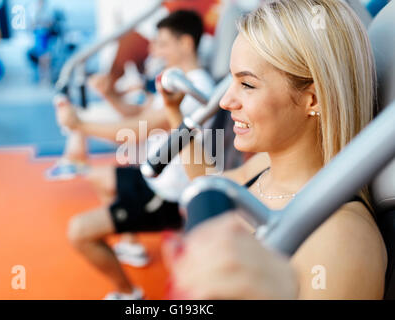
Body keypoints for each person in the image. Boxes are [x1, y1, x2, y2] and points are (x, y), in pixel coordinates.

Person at [162, 0, 387, 299]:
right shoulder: (266, 169)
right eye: (232, 80)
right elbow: (210, 183)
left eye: (247, 85)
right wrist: (175, 114)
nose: (225, 101)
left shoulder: (341, 239)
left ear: (313, 100)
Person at [56, 10, 215, 299]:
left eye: (163, 43)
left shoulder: (195, 88)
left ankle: (128, 293)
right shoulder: (175, 81)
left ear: (186, 44)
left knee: (78, 232)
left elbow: (136, 129)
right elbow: (138, 114)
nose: (155, 50)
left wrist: (79, 124)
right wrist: (111, 96)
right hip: (151, 176)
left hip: (167, 196)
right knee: (99, 177)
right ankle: (129, 242)